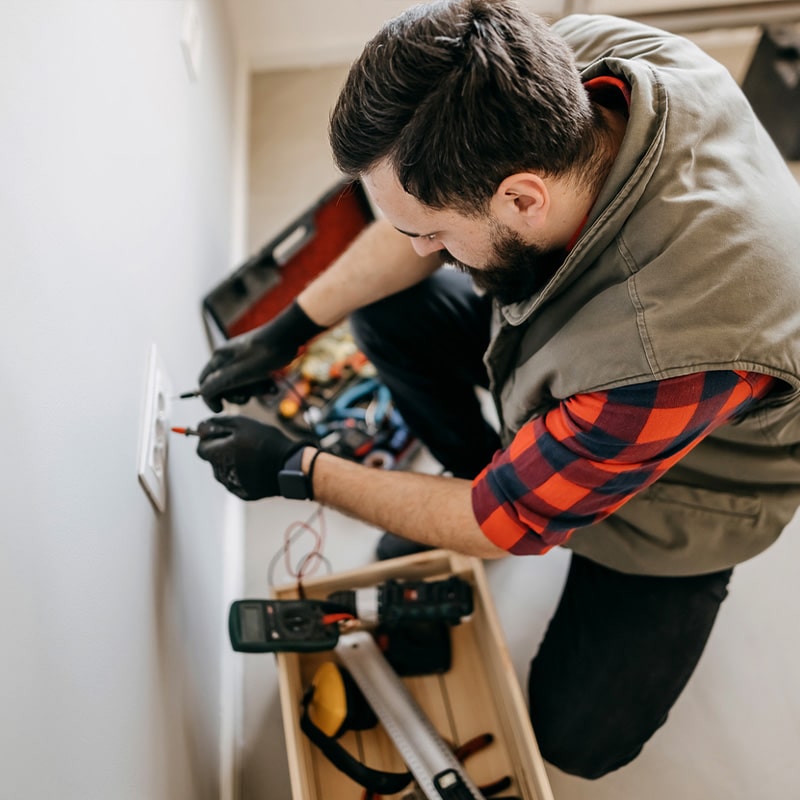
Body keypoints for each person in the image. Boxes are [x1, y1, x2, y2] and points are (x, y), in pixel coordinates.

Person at [193, 0, 800, 779]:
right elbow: (423, 227)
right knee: (390, 311)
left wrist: (296, 469)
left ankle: (531, 490)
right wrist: (290, 325)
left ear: (522, 199)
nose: (419, 249)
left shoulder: (671, 352)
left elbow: (506, 524)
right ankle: (484, 463)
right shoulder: (570, 65)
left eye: (433, 234)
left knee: (579, 738)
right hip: (597, 372)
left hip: (694, 490)